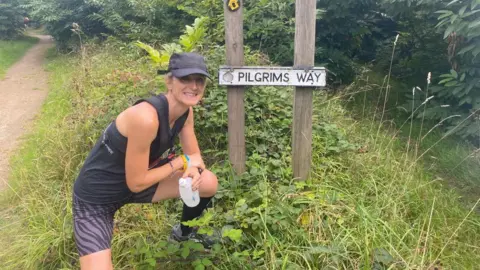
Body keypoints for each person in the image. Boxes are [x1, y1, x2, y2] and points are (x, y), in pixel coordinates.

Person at [72, 52, 219, 270]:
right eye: (185, 79)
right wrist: (179, 163)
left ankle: (184, 234)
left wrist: (194, 172)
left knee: (208, 182)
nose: (194, 86)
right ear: (169, 81)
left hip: (140, 181)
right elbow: (137, 182)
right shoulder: (145, 118)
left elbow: (195, 158)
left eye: (199, 80)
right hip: (97, 197)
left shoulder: (185, 113)